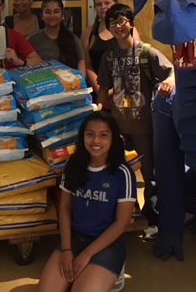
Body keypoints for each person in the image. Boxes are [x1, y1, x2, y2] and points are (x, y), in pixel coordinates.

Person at [96, 3, 174, 239]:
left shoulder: (147, 52)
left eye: (121, 21)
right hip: (118, 127)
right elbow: (104, 88)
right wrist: (96, 115)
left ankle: (154, 219)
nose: (117, 26)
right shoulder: (109, 56)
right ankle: (121, 217)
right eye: (112, 22)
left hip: (145, 127)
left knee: (150, 176)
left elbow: (171, 72)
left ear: (131, 23)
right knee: (115, 173)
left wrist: (171, 82)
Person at [38, 111, 136, 292]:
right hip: (75, 239)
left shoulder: (123, 173)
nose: (96, 141)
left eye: (103, 135)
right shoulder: (74, 164)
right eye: (90, 134)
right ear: (83, 136)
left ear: (113, 138)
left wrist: (86, 255)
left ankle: (114, 271)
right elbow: (65, 208)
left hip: (107, 245)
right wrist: (67, 250)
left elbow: (122, 223)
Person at [81, 0, 139, 104]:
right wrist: (101, 90)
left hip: (125, 91)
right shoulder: (88, 32)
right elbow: (87, 65)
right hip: (97, 92)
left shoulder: (128, 29)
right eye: (99, 4)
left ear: (115, 4)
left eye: (107, 3)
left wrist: (113, 91)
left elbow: (135, 60)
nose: (103, 7)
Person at [27, 0, 86, 75]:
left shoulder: (73, 39)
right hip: (42, 83)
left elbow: (81, 64)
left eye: (56, 11)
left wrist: (80, 81)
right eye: (48, 12)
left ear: (62, 15)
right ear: (42, 15)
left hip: (69, 84)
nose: (52, 15)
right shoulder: (32, 40)